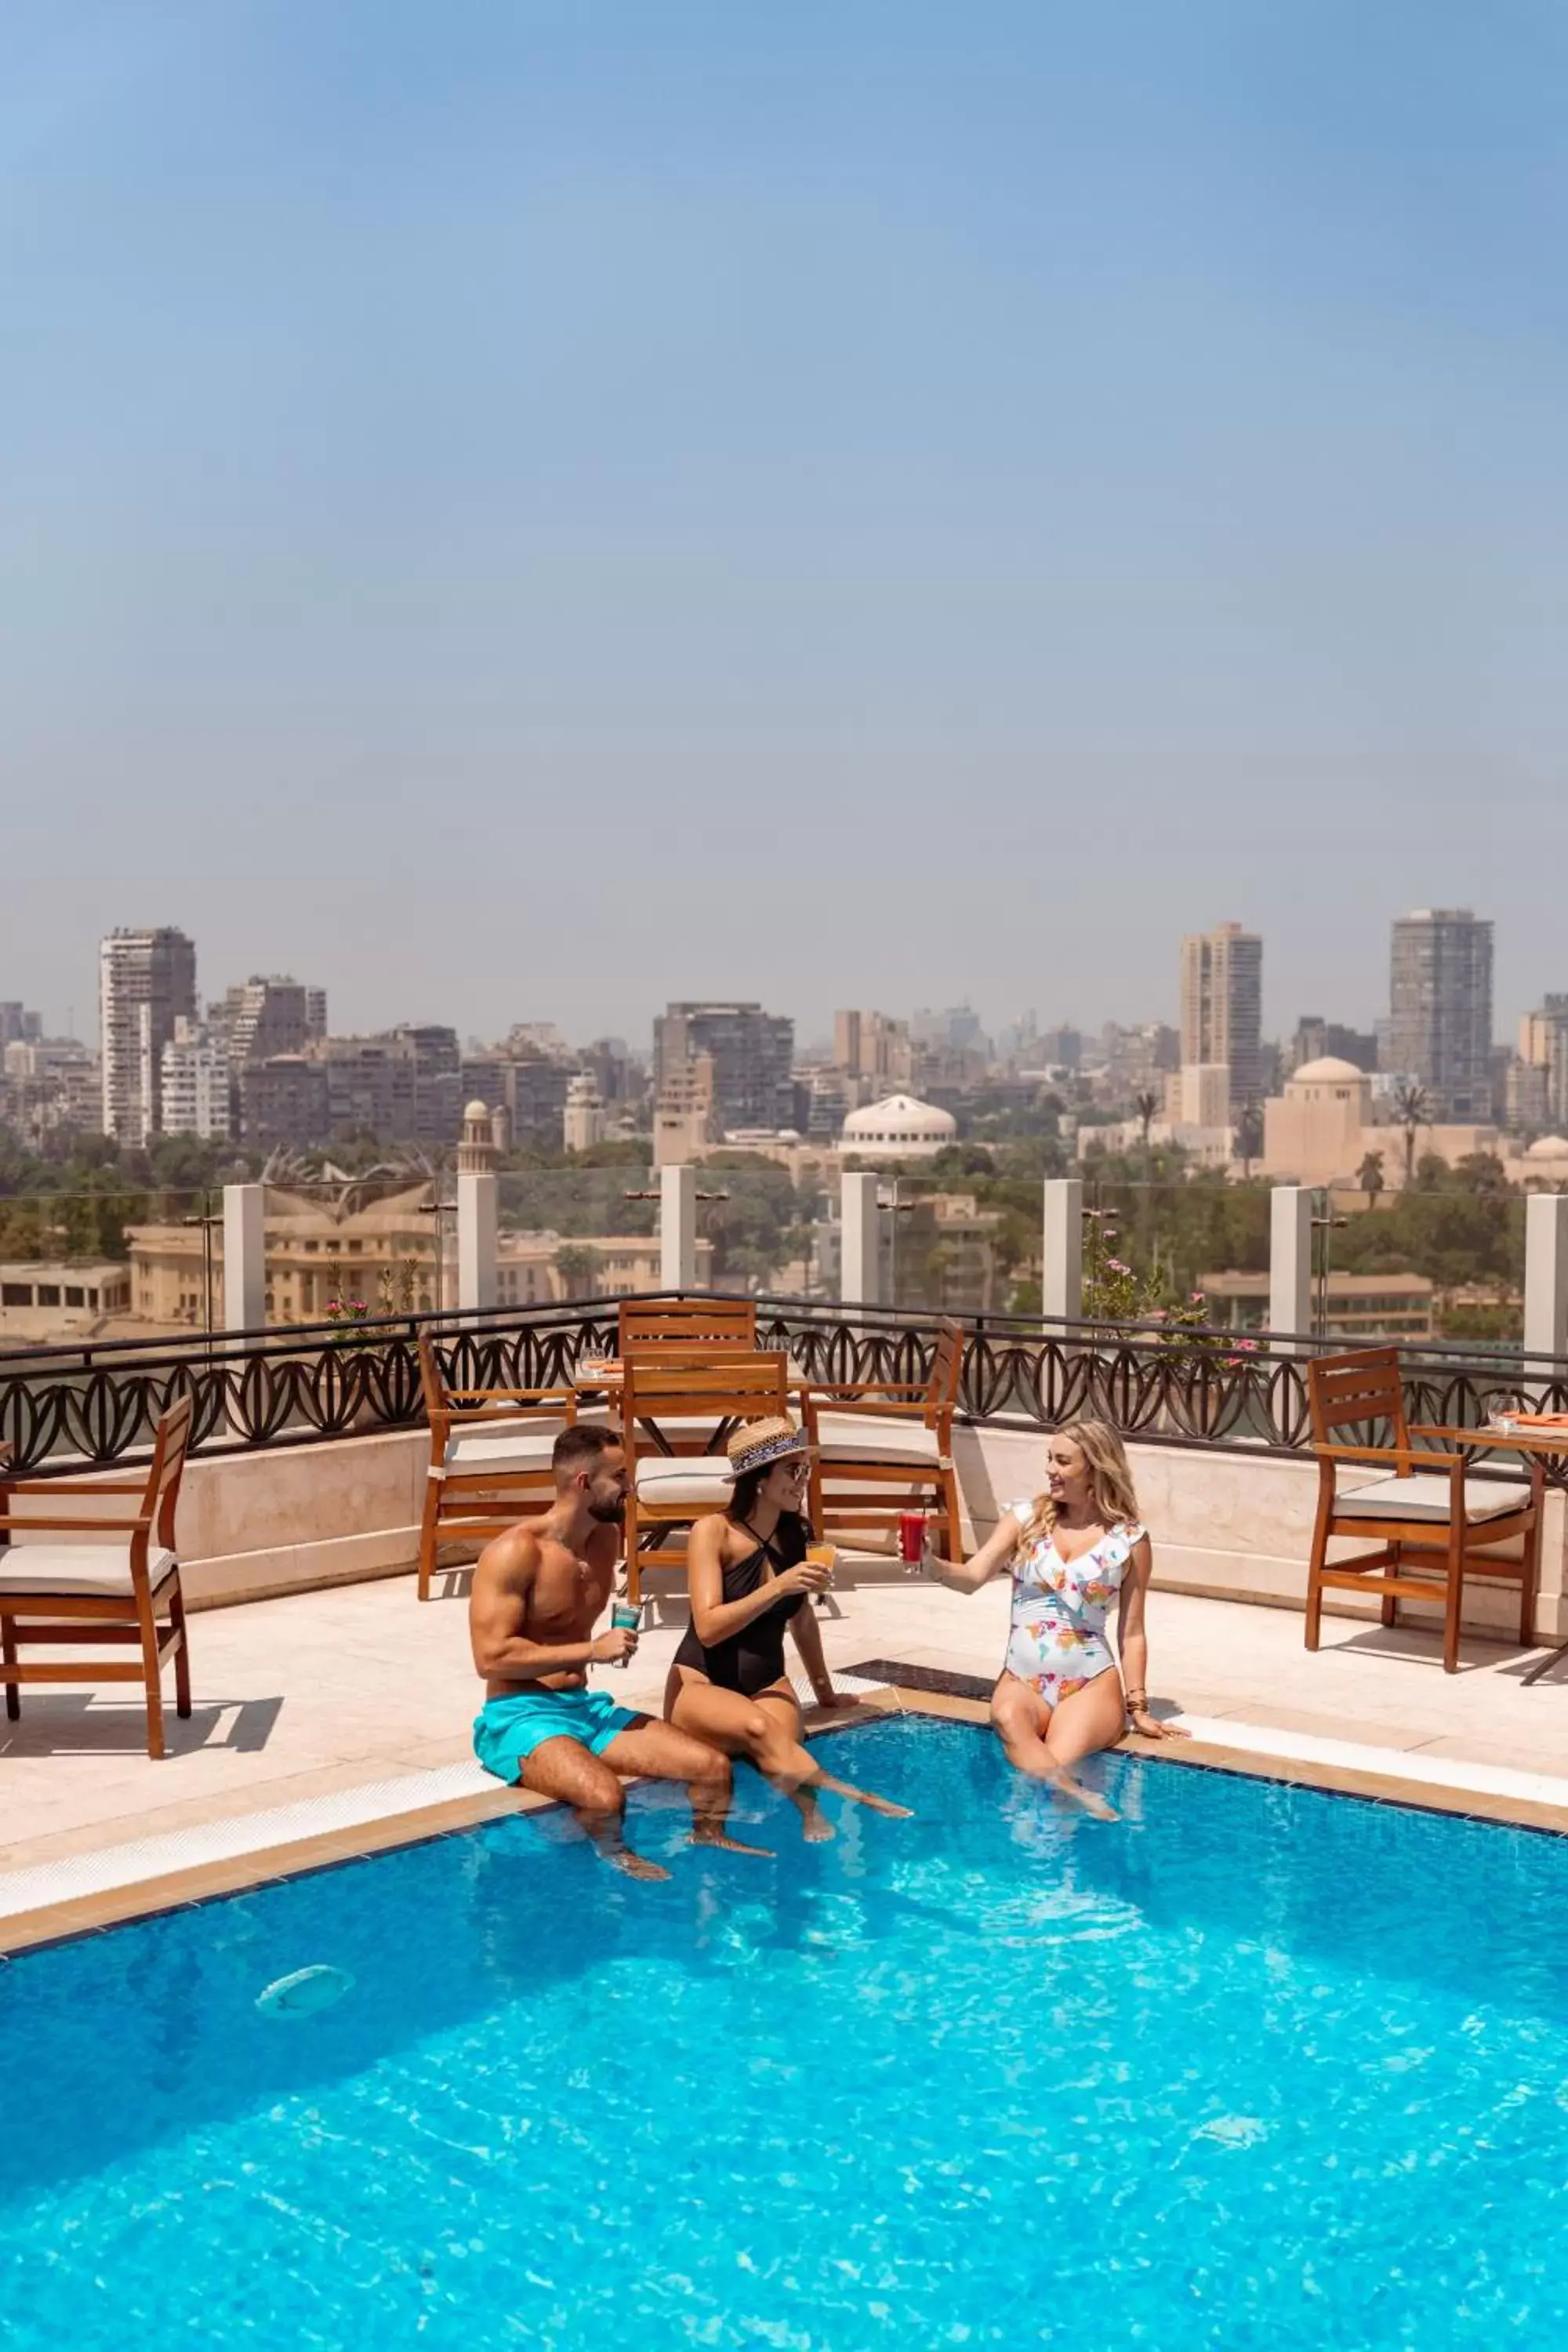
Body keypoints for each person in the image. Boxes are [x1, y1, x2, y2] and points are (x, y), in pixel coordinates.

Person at [470, 1422, 767, 1879]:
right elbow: (490, 1658)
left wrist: (611, 1635)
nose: (631, 1488)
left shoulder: (605, 1540)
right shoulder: (515, 1552)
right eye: (621, 1477)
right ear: (584, 1483)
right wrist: (591, 1649)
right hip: (520, 1715)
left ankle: (709, 1838)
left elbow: (568, 1619)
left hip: (584, 1708)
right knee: (605, 1798)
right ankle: (610, 1862)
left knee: (711, 1767)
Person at [923, 1417, 1187, 1820]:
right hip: (1021, 1679)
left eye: (1063, 1461)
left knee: (1049, 1784)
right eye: (1049, 1458)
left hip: (1088, 1683)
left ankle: (1048, 1855)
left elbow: (1131, 1631)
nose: (1050, 1469)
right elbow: (973, 1576)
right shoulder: (1025, 1518)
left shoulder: (1129, 1540)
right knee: (1009, 1718)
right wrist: (931, 1564)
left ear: (1095, 1468)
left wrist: (1138, 1707)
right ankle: (1077, 1798)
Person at [665, 1414, 912, 1840]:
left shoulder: (797, 1532)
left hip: (765, 1680)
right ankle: (854, 1795)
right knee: (760, 1730)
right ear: (759, 1480)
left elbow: (802, 1618)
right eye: (792, 1470)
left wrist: (825, 1692)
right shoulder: (712, 1532)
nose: (803, 1481)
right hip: (700, 1682)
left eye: (806, 1469)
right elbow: (708, 1628)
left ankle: (807, 1812)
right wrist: (778, 1587)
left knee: (781, 1738)